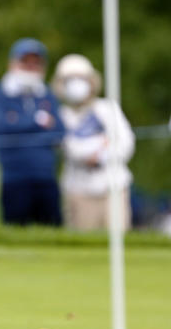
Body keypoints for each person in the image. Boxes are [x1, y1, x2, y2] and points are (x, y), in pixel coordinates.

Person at [0, 38, 65, 226]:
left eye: (36, 62)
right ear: (12, 63)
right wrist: (38, 121)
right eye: (25, 61)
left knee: (52, 231)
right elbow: (2, 127)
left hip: (46, 176)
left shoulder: (47, 94)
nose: (30, 66)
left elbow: (59, 132)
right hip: (15, 178)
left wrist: (21, 126)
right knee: (16, 231)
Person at [52, 54, 134, 231]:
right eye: (69, 80)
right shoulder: (60, 115)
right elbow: (68, 148)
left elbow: (125, 142)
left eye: (80, 79)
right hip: (78, 190)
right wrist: (99, 143)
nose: (76, 84)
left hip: (114, 188)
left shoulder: (107, 108)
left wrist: (103, 155)